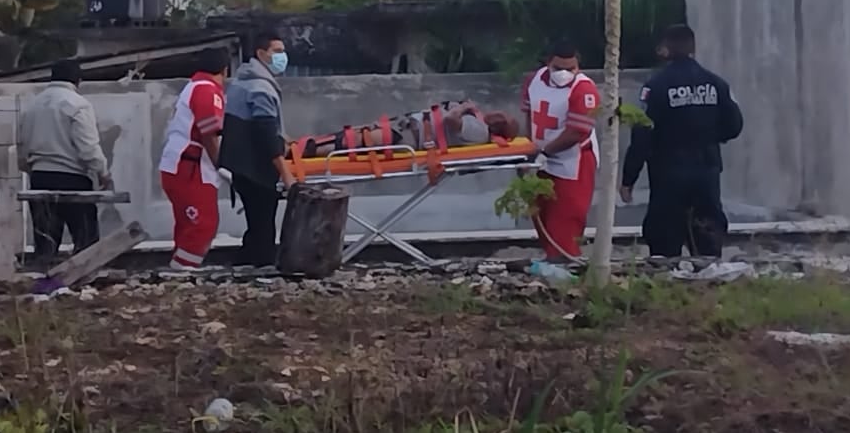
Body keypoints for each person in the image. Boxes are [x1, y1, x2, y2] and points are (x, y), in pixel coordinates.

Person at [620, 24, 744, 258]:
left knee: (664, 239)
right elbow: (735, 125)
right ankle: (707, 281)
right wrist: (708, 137)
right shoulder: (717, 84)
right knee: (707, 235)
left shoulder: (655, 87)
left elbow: (642, 135)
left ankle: (668, 282)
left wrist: (629, 178)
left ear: (665, 49)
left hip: (668, 173)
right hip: (706, 172)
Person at [17, 59, 113, 265]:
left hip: (40, 178)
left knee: (46, 243)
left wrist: (30, 169)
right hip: (73, 179)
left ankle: (42, 284)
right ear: (78, 81)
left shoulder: (32, 105)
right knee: (85, 242)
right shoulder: (78, 104)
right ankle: (84, 282)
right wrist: (102, 172)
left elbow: (22, 147)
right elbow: (88, 148)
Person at [520, 40, 601, 262]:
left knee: (565, 223)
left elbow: (577, 132)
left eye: (570, 69)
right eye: (558, 68)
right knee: (542, 219)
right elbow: (530, 117)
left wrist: (545, 151)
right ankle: (552, 264)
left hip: (573, 163)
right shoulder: (533, 81)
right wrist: (530, 149)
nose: (564, 74)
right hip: (541, 160)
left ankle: (566, 269)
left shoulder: (583, 89)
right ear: (548, 63)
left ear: (578, 67)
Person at [219, 30, 294, 267]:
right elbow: (265, 136)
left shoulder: (244, 81)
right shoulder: (260, 87)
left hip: (243, 165)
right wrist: (287, 175)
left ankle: (244, 265)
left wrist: (284, 138)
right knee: (263, 223)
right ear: (262, 54)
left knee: (257, 222)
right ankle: (261, 269)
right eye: (277, 52)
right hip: (255, 167)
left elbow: (265, 128)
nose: (283, 57)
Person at [158, 49, 229, 270]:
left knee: (188, 223)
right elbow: (209, 132)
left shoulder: (194, 87)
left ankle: (182, 264)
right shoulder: (207, 91)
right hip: (190, 165)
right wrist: (222, 164)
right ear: (225, 70)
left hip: (183, 164)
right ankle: (183, 267)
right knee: (203, 223)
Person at [294, 101, 521, 158]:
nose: (498, 112)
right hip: (404, 129)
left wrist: (464, 107)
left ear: (498, 126)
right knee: (350, 136)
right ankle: (298, 146)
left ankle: (298, 152)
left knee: (351, 143)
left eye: (502, 116)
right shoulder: (478, 124)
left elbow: (451, 119)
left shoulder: (479, 130)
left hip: (406, 137)